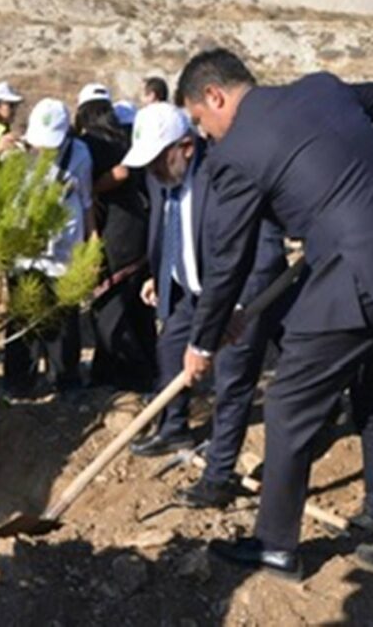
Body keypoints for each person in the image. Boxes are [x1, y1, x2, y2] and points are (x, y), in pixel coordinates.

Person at [177, 48, 373, 591]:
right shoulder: (320, 88)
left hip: (360, 269)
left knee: (290, 400)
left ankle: (275, 545)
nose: (207, 133)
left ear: (214, 96)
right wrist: (366, 181)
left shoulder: (236, 151)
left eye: (200, 120)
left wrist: (203, 340)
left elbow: (228, 259)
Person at [122, 103, 288, 509]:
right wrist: (159, 277)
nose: (153, 172)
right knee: (169, 350)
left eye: (159, 160)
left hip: (239, 298)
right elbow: (167, 229)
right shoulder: (163, 175)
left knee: (232, 380)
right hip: (194, 293)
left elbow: (267, 248)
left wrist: (244, 306)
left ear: (186, 147)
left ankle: (217, 478)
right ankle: (174, 427)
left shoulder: (229, 175)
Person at [3, 98, 94, 398]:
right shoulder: (16, 156)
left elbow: (87, 204)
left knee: (63, 321)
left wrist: (90, 249)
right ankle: (20, 383)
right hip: (24, 253)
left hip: (64, 251)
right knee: (23, 320)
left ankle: (65, 380)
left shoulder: (79, 155)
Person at [74, 84, 156, 392]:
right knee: (138, 308)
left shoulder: (86, 144)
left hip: (112, 235)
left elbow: (119, 175)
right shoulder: (125, 137)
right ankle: (129, 370)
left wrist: (90, 190)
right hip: (137, 229)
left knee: (111, 312)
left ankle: (131, 378)